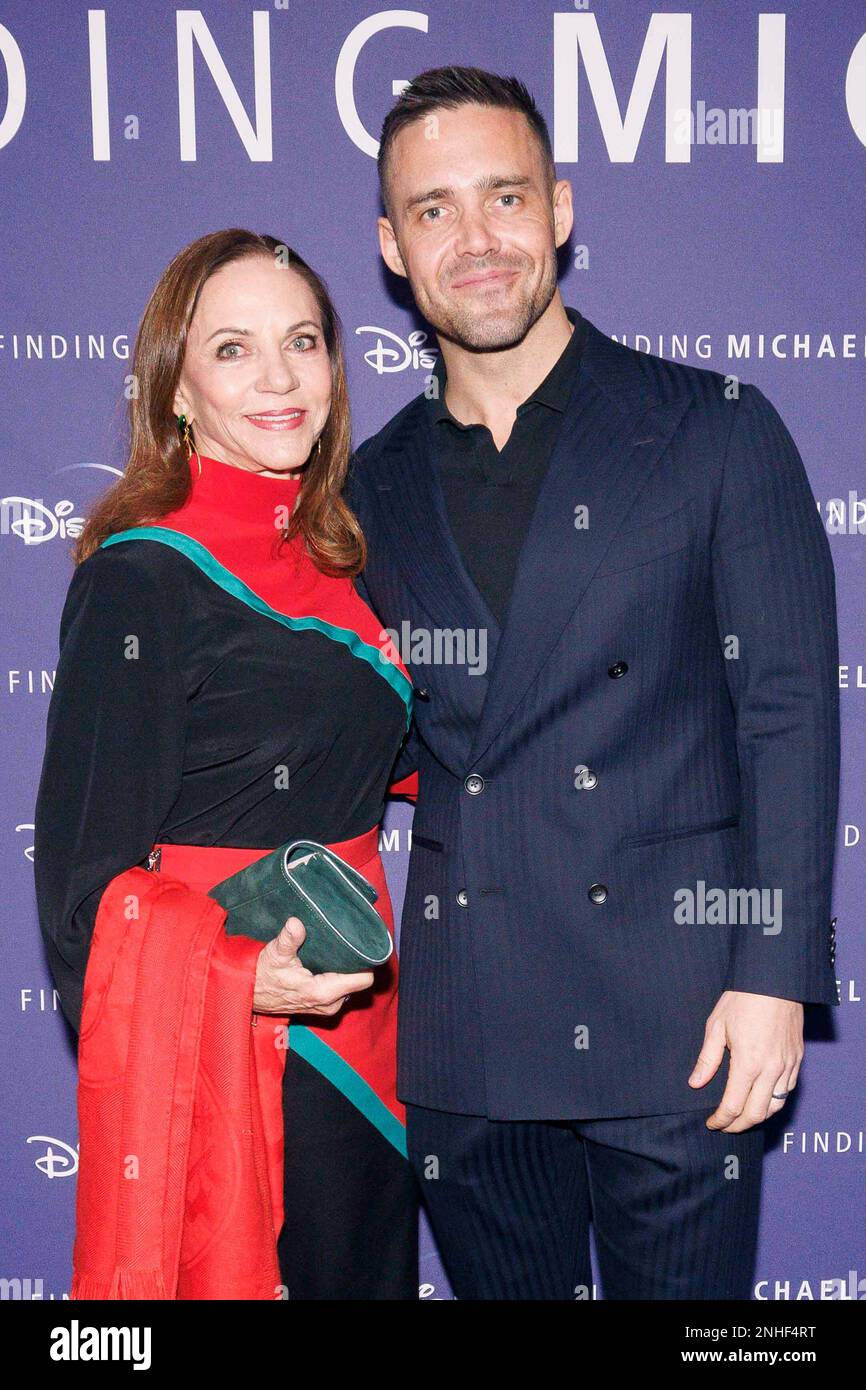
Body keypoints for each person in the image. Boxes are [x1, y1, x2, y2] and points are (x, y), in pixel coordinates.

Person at [344, 66, 841, 1300]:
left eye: (503, 196)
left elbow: (784, 711)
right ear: (392, 248)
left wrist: (771, 976)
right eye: (433, 210)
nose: (475, 240)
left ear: (558, 209)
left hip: (677, 1016)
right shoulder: (367, 488)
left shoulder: (715, 427)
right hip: (470, 1025)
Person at [34, 228, 419, 1300]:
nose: (280, 375)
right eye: (235, 349)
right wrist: (244, 975)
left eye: (301, 341)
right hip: (247, 1049)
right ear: (177, 391)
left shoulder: (345, 560)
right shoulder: (139, 581)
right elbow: (82, 893)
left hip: (368, 1030)